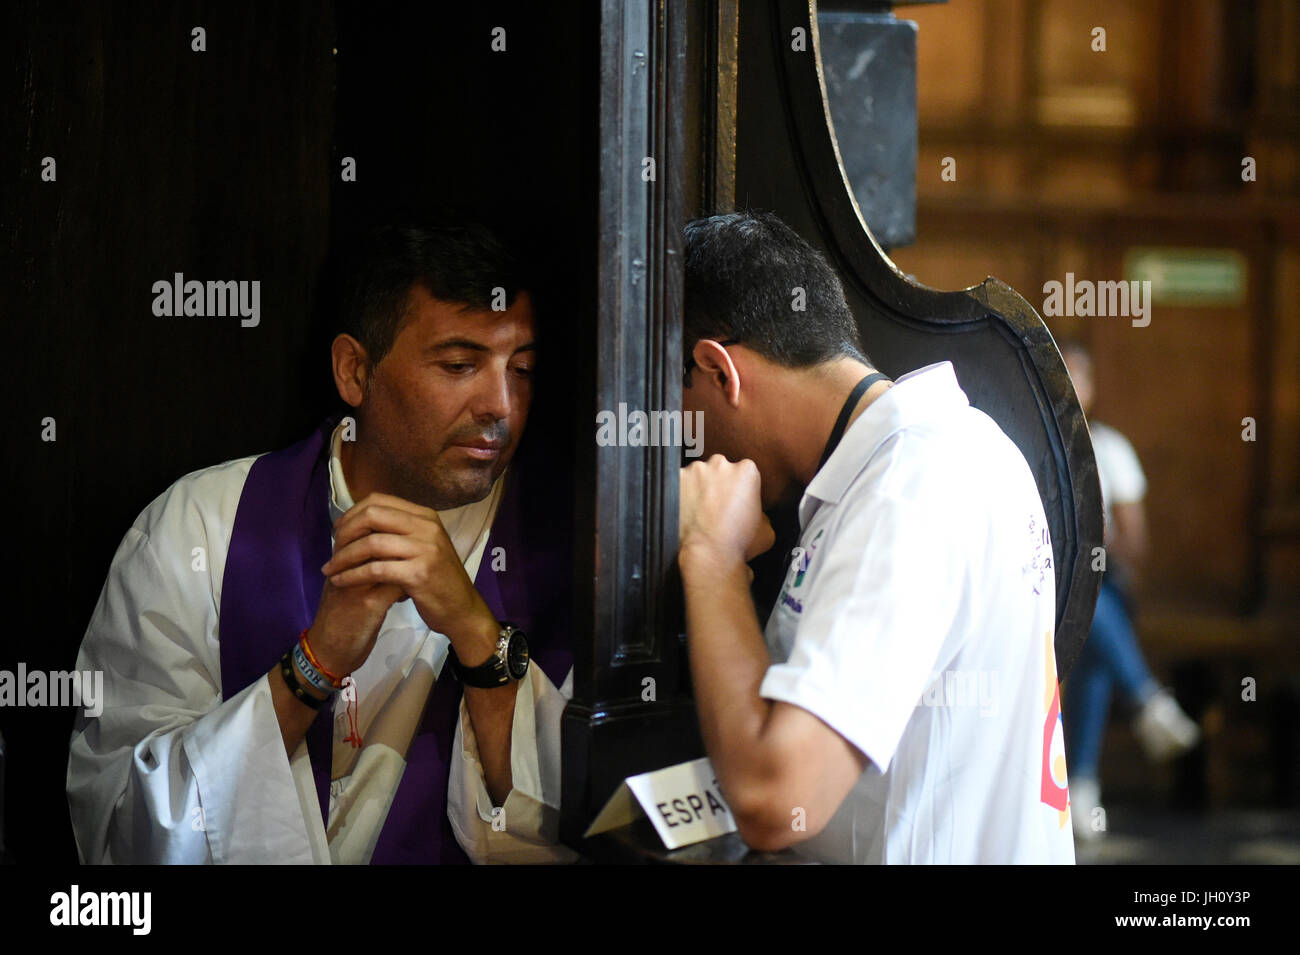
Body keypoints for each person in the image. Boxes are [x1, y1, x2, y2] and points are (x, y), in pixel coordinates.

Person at [67, 222, 578, 864]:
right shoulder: (200, 527)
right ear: (354, 370)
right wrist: (315, 662)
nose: (502, 405)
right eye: (459, 365)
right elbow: (122, 826)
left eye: (522, 370)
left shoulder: (572, 552)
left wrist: (479, 637)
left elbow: (588, 824)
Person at [675, 211, 1075, 863]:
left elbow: (776, 799)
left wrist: (710, 556)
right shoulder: (955, 447)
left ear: (719, 371)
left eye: (679, 408)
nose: (689, 451)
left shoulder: (907, 487)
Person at [1059, 340, 1199, 844]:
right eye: (1063, 373)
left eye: (1081, 376)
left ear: (1093, 387)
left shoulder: (1112, 449)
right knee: (1092, 609)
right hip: (1044, 588)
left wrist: (1096, 544)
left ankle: (1083, 788)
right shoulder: (1030, 439)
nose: (1073, 386)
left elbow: (1136, 545)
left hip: (1101, 584)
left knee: (1096, 609)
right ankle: (1147, 705)